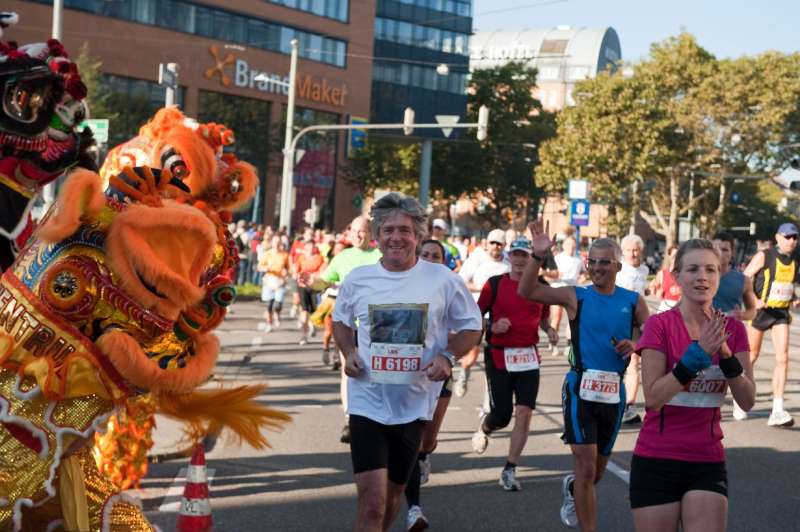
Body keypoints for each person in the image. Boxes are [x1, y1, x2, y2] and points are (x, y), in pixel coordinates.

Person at [333, 193, 482, 532]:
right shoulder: (358, 279)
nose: (396, 237)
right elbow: (340, 322)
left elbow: (472, 326)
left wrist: (447, 356)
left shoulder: (442, 279)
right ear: (376, 236)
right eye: (387, 230)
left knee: (394, 496)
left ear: (417, 234)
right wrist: (349, 352)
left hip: (415, 405)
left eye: (404, 230)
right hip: (367, 402)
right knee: (372, 502)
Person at [518, 220, 649, 532]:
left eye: (605, 262)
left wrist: (636, 344)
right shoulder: (575, 296)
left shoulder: (632, 301)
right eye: (593, 261)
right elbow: (527, 291)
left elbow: (653, 335)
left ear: (618, 265)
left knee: (597, 472)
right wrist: (537, 256)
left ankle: (572, 487)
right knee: (587, 468)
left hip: (613, 392)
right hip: (580, 388)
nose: (598, 267)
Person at [631, 239, 756, 532]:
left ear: (719, 275)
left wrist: (725, 357)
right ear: (677, 277)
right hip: (656, 458)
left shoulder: (733, 330)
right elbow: (653, 398)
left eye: (711, 270)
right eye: (693, 269)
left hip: (706, 459)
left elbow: (747, 400)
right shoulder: (659, 326)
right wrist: (695, 357)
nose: (702, 277)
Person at [470, 237, 559, 492]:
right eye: (516, 255)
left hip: (528, 357)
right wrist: (492, 325)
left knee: (525, 412)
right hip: (499, 354)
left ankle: (510, 469)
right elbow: (474, 316)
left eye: (525, 255)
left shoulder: (541, 286)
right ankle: (485, 428)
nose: (521, 260)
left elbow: (542, 317)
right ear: (510, 257)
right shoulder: (495, 284)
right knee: (502, 415)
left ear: (532, 258)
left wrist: (549, 330)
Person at [303, 216, 382, 444]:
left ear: (371, 233)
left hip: (376, 326)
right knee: (349, 370)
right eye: (355, 231)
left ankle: (373, 417)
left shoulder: (381, 257)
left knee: (374, 372)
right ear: (348, 233)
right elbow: (324, 281)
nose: (358, 235)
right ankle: (350, 419)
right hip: (348, 324)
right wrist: (311, 281)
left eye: (363, 231)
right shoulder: (342, 257)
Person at [403, 239, 456, 531]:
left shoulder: (450, 287)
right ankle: (414, 509)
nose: (429, 259)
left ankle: (425, 455)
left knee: (427, 440)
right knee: (411, 438)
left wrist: (450, 355)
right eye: (424, 254)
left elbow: (471, 327)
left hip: (438, 373)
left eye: (435, 256)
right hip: (405, 373)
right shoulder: (401, 283)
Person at [742, 222, 800, 427]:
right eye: (787, 237)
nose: (791, 241)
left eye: (795, 237)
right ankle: (741, 398)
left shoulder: (795, 259)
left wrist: (793, 296)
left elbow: (788, 282)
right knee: (751, 355)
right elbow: (744, 278)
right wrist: (754, 301)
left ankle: (777, 409)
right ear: (777, 237)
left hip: (780, 313)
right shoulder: (764, 255)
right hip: (761, 312)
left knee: (783, 358)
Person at [455, 228, 510, 397]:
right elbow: (461, 280)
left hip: (500, 316)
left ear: (504, 245)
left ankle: (492, 397)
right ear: (487, 243)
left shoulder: (509, 261)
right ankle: (464, 373)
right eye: (492, 243)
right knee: (472, 354)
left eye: (499, 243)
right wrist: (481, 289)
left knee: (497, 360)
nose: (495, 246)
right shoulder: (478, 256)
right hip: (478, 312)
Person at [617, 234, 650, 425]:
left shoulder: (644, 270)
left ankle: (629, 405)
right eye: (629, 250)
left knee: (633, 362)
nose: (632, 253)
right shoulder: (618, 268)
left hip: (637, 320)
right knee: (616, 359)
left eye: (636, 250)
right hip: (617, 318)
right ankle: (612, 398)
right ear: (623, 252)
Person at [550, 235, 586, 357]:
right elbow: (551, 273)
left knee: (572, 318)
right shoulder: (558, 258)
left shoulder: (578, 259)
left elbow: (584, 272)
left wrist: (583, 277)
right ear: (564, 246)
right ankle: (553, 343)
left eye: (573, 244)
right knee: (557, 318)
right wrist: (555, 275)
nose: (571, 247)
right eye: (569, 244)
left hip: (572, 292)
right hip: (557, 290)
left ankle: (568, 345)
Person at [295, 239, 324, 345]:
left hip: (315, 286)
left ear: (314, 248)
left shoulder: (319, 258)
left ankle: (312, 325)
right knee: (304, 310)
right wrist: (299, 276)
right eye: (308, 247)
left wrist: (313, 276)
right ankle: (304, 335)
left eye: (312, 247)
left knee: (315, 310)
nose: (310, 249)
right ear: (305, 248)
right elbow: (296, 271)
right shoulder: (301, 258)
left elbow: (322, 271)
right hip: (302, 286)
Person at [258, 236, 289, 332]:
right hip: (269, 281)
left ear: (280, 243)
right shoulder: (268, 254)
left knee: (278, 304)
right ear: (272, 243)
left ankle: (277, 314)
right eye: (275, 242)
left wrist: (286, 272)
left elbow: (288, 268)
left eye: (278, 242)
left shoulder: (284, 255)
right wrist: (264, 268)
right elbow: (259, 266)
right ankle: (269, 323)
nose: (276, 244)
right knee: (269, 304)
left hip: (280, 282)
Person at [648, 245, 681, 313]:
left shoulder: (687, 273)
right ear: (669, 256)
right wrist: (655, 290)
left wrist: (681, 290)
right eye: (674, 255)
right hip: (665, 308)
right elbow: (654, 289)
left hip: (681, 308)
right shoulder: (662, 273)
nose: (676, 258)